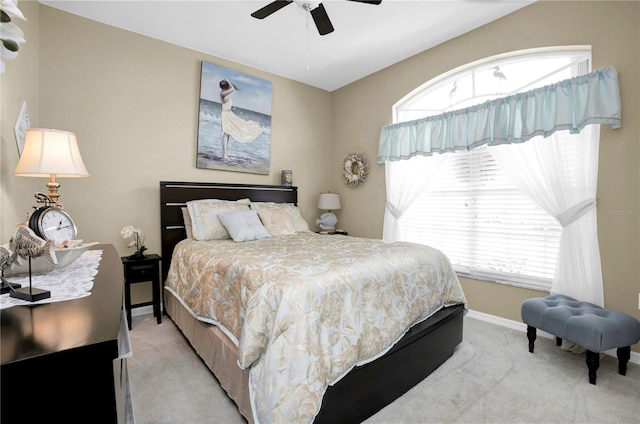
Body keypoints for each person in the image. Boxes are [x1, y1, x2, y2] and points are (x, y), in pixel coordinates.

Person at [219, 79, 263, 160]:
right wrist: (228, 81)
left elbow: (227, 103)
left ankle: (225, 153)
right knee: (226, 133)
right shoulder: (223, 93)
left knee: (229, 133)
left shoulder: (224, 94)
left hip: (228, 113)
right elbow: (233, 89)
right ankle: (224, 154)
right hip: (226, 114)